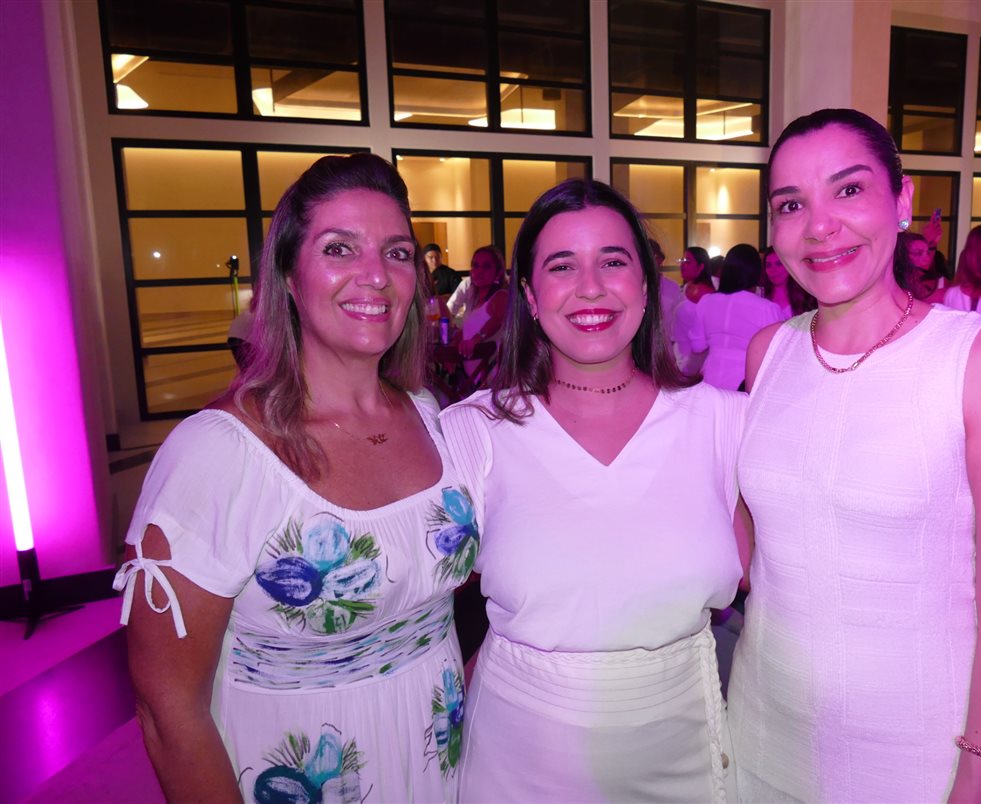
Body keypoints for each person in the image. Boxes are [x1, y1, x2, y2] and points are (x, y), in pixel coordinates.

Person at [113, 154, 475, 803]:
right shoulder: (216, 455)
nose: (375, 275)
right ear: (287, 273)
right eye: (340, 248)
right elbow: (169, 713)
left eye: (397, 253)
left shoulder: (431, 416)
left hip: (440, 765)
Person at [730, 109, 981, 803]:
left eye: (848, 191)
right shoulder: (770, 353)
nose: (820, 226)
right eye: (792, 205)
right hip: (760, 729)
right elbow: (756, 553)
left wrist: (978, 784)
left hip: (914, 754)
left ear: (903, 203)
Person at [440, 178, 746, 802]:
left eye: (613, 261)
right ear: (527, 292)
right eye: (561, 266)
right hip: (515, 764)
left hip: (684, 757)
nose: (590, 287)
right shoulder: (473, 433)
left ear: (644, 283)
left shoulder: (724, 424)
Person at [688, 243, 787, 390]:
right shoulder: (767, 308)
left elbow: (697, 345)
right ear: (756, 272)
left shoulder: (706, 301)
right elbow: (779, 353)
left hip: (710, 378)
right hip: (745, 380)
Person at [759, 247, 816, 317]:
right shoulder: (760, 295)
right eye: (768, 265)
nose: (773, 270)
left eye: (779, 264)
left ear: (788, 265)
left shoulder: (805, 298)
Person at [898, 231, 947, 300]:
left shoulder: (940, 282)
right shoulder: (895, 284)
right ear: (902, 256)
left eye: (928, 253)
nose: (927, 259)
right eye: (918, 253)